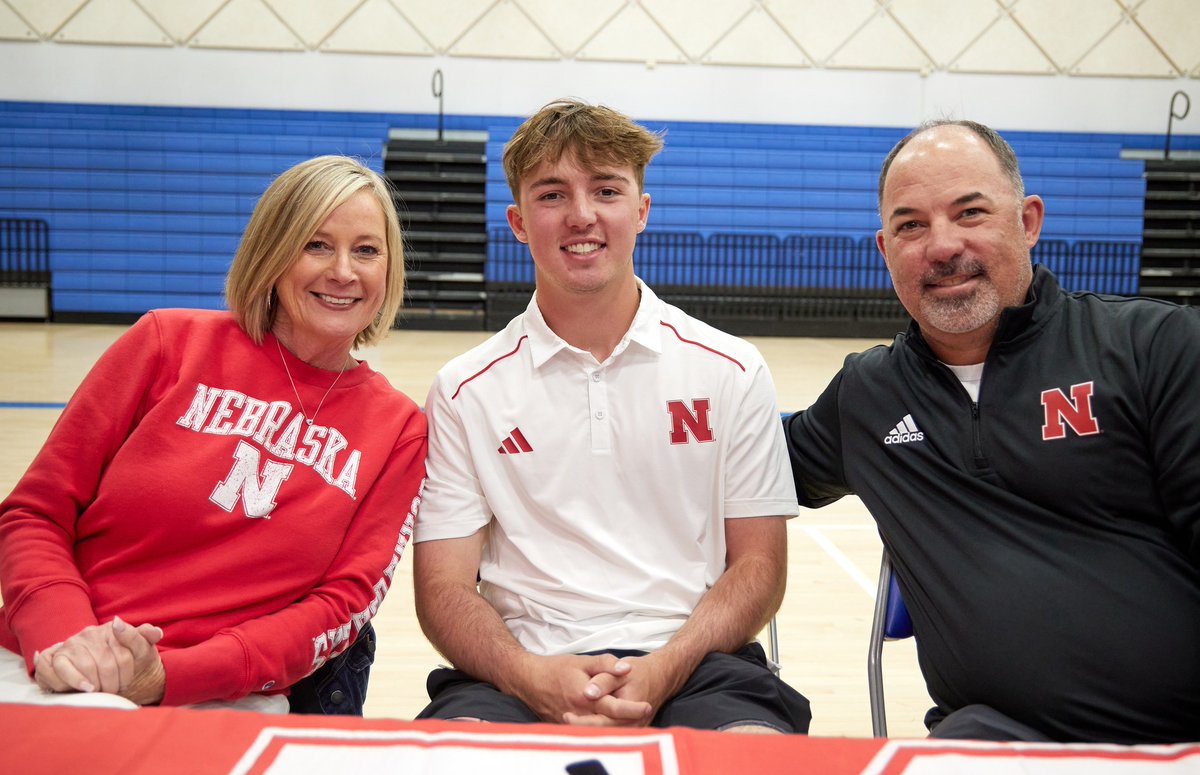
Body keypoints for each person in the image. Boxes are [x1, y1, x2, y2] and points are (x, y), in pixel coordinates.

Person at [783, 119, 1200, 743]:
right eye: (910, 225)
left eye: (969, 212)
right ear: (885, 250)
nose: (941, 245)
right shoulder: (867, 396)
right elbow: (736, 473)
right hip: (988, 740)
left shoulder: (1156, 347)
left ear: (1027, 221)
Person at [411, 98, 810, 733]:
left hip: (700, 664)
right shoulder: (464, 390)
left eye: (606, 190)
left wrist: (666, 665)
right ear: (517, 221)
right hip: (518, 670)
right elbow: (443, 591)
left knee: (754, 756)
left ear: (642, 211)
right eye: (551, 195)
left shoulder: (732, 370)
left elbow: (760, 567)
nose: (582, 215)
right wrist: (527, 676)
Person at [0, 155, 427, 713]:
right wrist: (67, 637)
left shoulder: (398, 429)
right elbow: (36, 514)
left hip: (222, 694)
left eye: (366, 250)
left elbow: (341, 607)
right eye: (316, 245)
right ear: (273, 253)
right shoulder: (165, 343)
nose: (343, 271)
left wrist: (171, 676)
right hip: (54, 661)